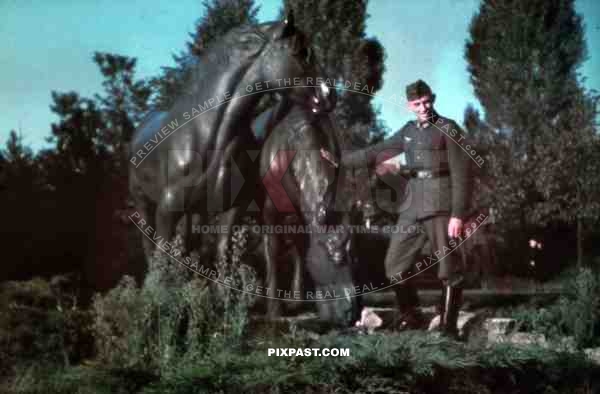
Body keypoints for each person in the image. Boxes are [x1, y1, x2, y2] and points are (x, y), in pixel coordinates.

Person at [322, 80, 471, 338]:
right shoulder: (408, 131)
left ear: (432, 99)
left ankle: (448, 329)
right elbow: (375, 152)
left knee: (448, 268)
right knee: (394, 265)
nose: (423, 107)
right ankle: (411, 315)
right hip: (413, 204)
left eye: (427, 102)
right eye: (417, 104)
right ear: (409, 106)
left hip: (441, 203)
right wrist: (338, 160)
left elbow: (462, 173)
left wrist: (458, 214)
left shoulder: (448, 128)